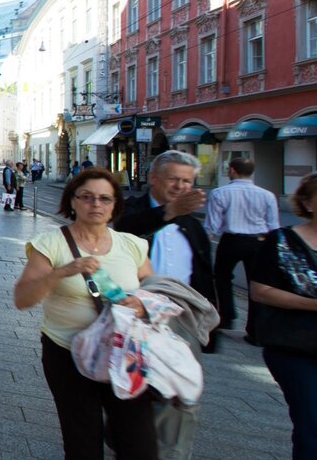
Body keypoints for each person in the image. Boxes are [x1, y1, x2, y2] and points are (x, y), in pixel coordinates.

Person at [14, 168, 156, 459]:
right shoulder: (51, 244)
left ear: (115, 204)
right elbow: (22, 298)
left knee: (140, 444)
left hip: (125, 354)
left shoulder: (132, 245)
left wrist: (142, 304)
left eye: (105, 198)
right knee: (83, 444)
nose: (96, 204)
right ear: (73, 202)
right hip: (68, 355)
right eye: (87, 197)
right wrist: (62, 272)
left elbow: (153, 292)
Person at [113, 150, 218, 458]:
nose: (180, 186)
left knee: (183, 393)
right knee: (132, 389)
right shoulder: (129, 210)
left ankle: (171, 452)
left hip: (179, 321)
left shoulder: (192, 226)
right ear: (154, 178)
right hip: (134, 316)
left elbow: (203, 275)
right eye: (173, 179)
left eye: (187, 182)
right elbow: (121, 233)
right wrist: (167, 213)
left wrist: (211, 320)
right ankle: (125, 438)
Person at [250, 173, 317, 460]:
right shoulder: (282, 240)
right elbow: (260, 291)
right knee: (311, 424)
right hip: (296, 347)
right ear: (308, 202)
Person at [206, 157, 280, 340]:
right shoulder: (267, 195)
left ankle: (227, 316)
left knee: (222, 277)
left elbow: (212, 225)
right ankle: (256, 330)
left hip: (231, 240)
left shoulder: (220, 193)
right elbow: (274, 226)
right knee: (257, 285)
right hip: (258, 242)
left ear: (232, 170)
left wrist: (204, 243)